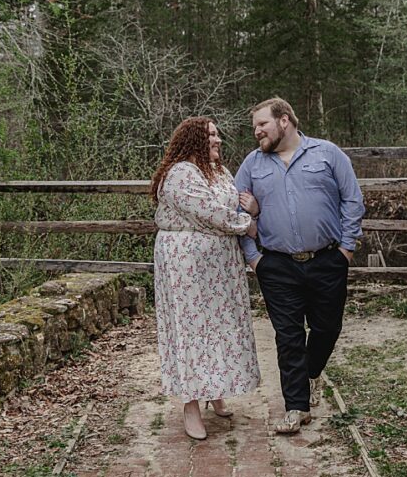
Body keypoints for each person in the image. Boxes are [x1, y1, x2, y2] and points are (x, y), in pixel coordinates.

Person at [235, 97, 364, 434]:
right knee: (288, 336)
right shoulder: (252, 164)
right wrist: (253, 257)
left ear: (284, 120)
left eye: (262, 124)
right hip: (276, 264)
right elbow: (234, 211)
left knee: (327, 328)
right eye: (254, 128)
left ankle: (311, 374)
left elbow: (353, 199)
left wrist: (347, 249)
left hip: (327, 259)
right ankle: (296, 407)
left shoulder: (327, 153)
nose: (257, 132)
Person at [151, 117, 261, 440]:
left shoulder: (220, 172)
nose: (218, 139)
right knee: (191, 331)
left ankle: (216, 391)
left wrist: (248, 212)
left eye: (217, 133)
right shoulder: (181, 173)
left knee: (217, 328)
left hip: (218, 271)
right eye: (211, 134)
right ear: (194, 139)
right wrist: (246, 225)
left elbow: (227, 208)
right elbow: (210, 213)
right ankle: (191, 405)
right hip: (186, 268)